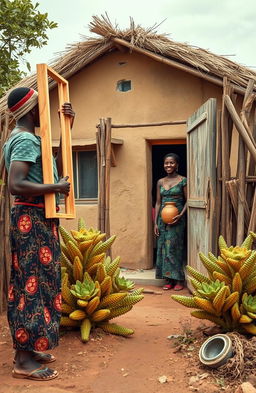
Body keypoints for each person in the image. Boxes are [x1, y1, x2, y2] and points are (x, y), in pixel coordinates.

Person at [3, 87, 75, 381]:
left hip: (36, 218)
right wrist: (55, 189)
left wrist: (67, 130)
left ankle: (31, 347)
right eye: (42, 106)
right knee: (30, 284)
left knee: (37, 282)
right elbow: (15, 184)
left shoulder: (24, 140)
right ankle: (23, 359)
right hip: (30, 218)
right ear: (32, 110)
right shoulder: (24, 139)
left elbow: (43, 168)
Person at [154, 153, 187, 290]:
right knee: (163, 248)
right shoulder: (160, 182)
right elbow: (157, 203)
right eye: (166, 163)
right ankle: (168, 279)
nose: (168, 165)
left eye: (171, 163)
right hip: (163, 220)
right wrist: (155, 222)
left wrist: (180, 215)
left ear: (177, 165)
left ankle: (179, 280)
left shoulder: (183, 180)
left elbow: (188, 201)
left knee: (174, 247)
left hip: (176, 219)